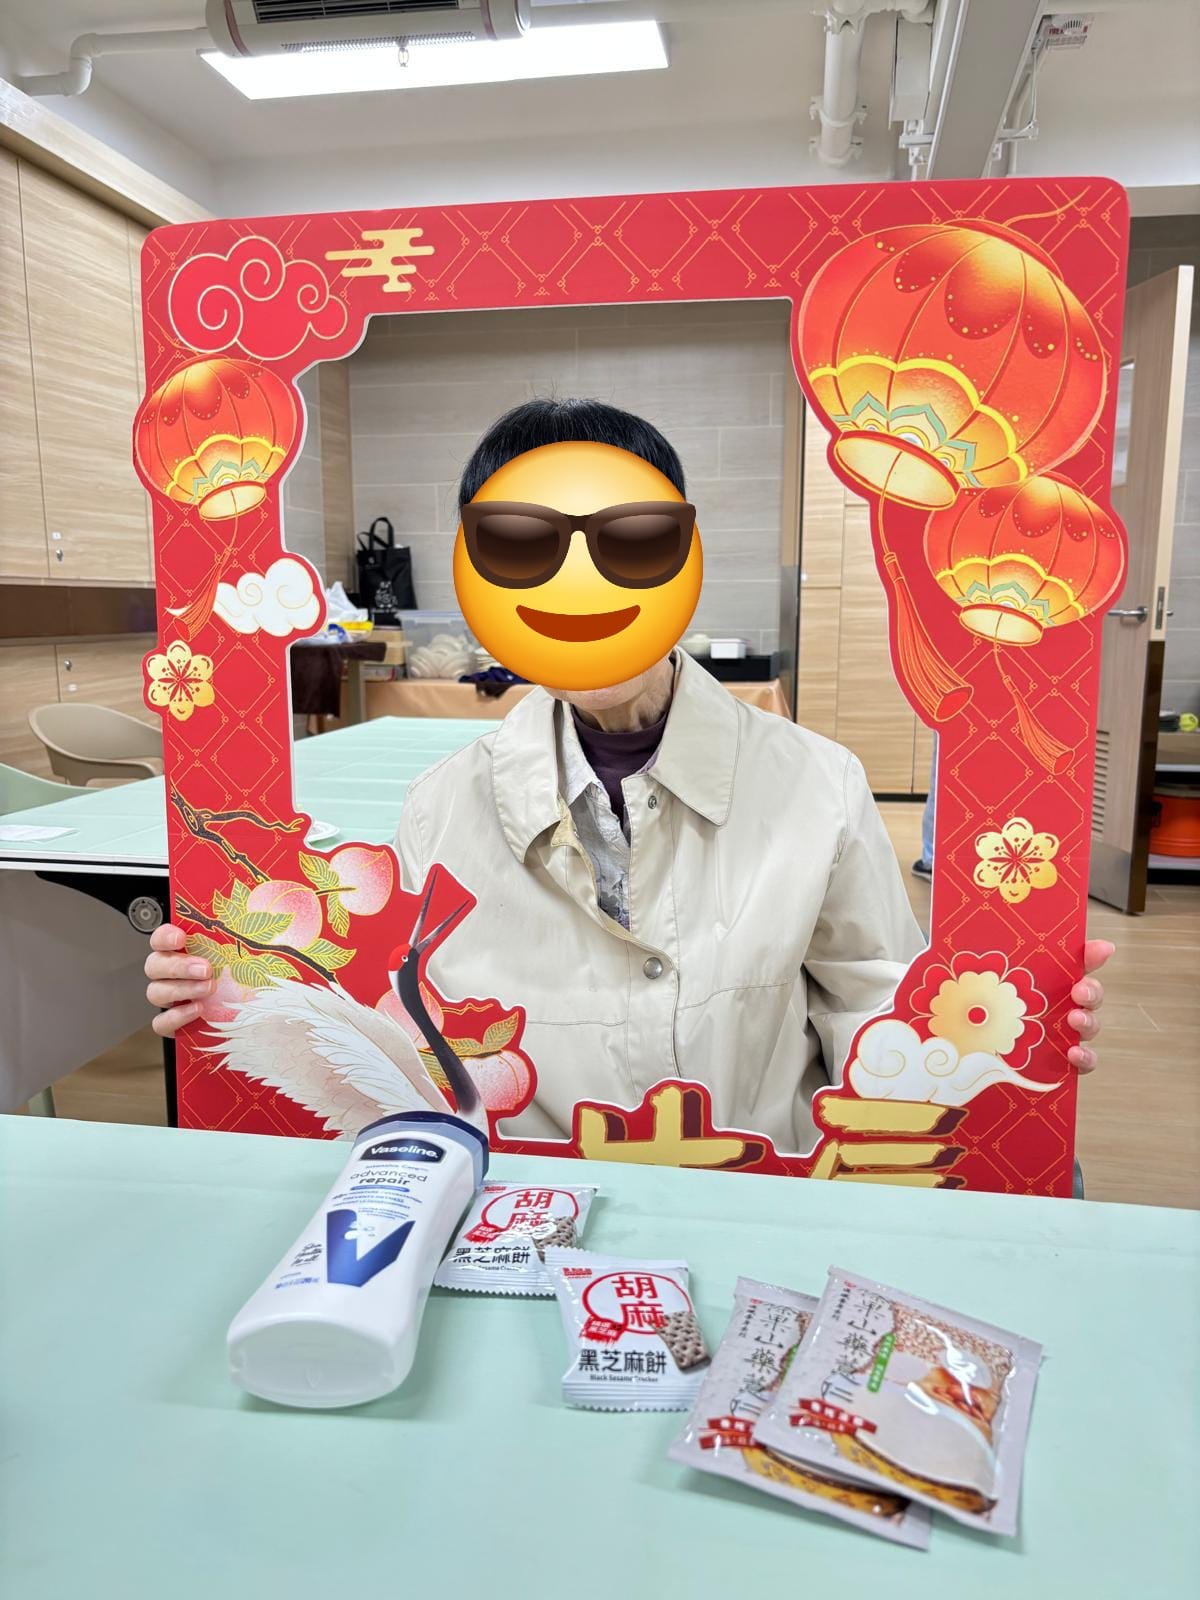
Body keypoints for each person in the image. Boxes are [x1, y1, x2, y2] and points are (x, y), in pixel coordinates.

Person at [146, 399, 1111, 1152]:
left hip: (761, 1210)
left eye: (633, 541)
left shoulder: (819, 784)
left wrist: (987, 1047)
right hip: (523, 1228)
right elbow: (401, 1039)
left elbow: (877, 1005)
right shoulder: (441, 807)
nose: (581, 585)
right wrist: (233, 996)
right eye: (520, 548)